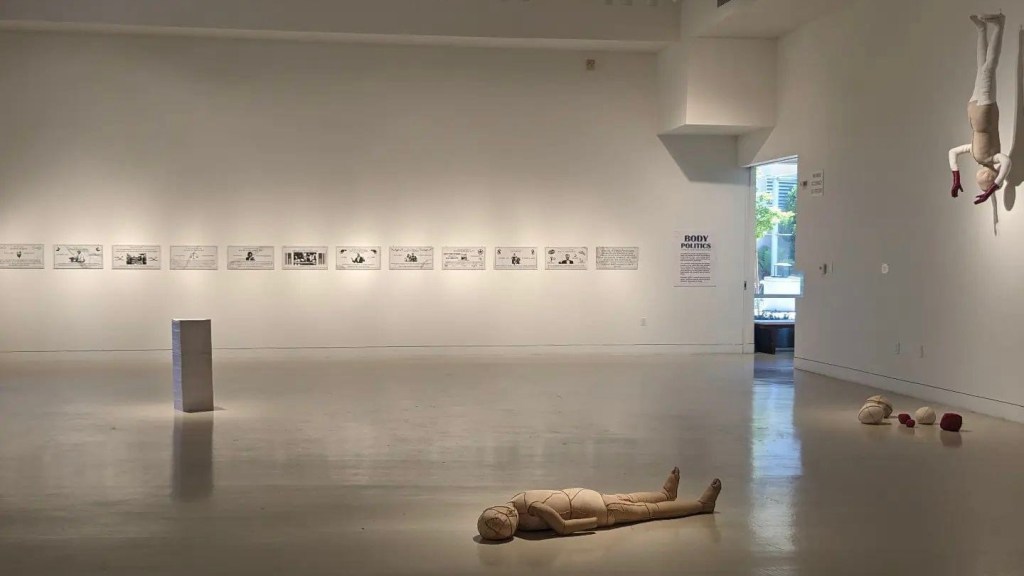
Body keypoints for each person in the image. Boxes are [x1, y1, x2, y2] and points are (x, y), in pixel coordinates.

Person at [477, 467, 721, 541]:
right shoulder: (529, 511)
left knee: (634, 499)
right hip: (600, 510)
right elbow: (561, 526)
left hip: (594, 500)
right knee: (649, 511)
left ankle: (666, 494)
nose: (504, 510)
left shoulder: (518, 508)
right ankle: (701, 505)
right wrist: (592, 522)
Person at [949, 13, 1012, 205]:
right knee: (988, 69)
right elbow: (1007, 163)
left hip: (974, 107)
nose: (984, 180)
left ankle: (981, 30)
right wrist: (995, 186)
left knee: (981, 68)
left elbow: (952, 152)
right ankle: (1000, 25)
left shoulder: (976, 155)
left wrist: (956, 177)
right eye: (987, 183)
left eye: (984, 185)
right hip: (985, 109)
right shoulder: (994, 158)